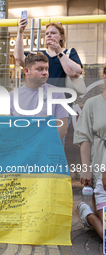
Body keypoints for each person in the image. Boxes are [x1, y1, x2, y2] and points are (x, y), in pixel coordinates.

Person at [73, 64, 106, 239]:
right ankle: (90, 215)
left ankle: (88, 216)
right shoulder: (92, 104)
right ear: (105, 76)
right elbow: (84, 137)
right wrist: (86, 169)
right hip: (100, 170)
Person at [9, 52, 68, 140]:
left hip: (47, 149)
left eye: (46, 69)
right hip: (21, 150)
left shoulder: (57, 94)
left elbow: (62, 129)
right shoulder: (12, 97)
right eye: (40, 69)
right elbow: (9, 129)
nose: (45, 73)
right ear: (27, 71)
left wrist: (41, 146)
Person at [14, 21, 83, 91]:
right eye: (47, 34)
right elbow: (19, 59)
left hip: (62, 99)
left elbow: (75, 73)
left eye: (53, 33)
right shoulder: (39, 54)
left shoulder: (70, 53)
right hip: (41, 99)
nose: (49, 35)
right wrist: (20, 33)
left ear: (61, 36)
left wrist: (59, 52)